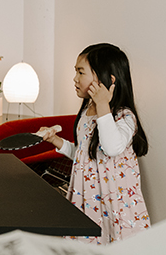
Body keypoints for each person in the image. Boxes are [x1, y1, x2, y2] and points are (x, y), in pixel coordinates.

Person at [39, 43, 150, 244]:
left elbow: (111, 147)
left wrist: (102, 105)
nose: (75, 78)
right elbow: (84, 156)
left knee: (116, 248)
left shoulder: (124, 117)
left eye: (81, 72)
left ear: (107, 80)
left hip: (114, 204)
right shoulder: (85, 112)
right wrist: (56, 141)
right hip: (88, 200)